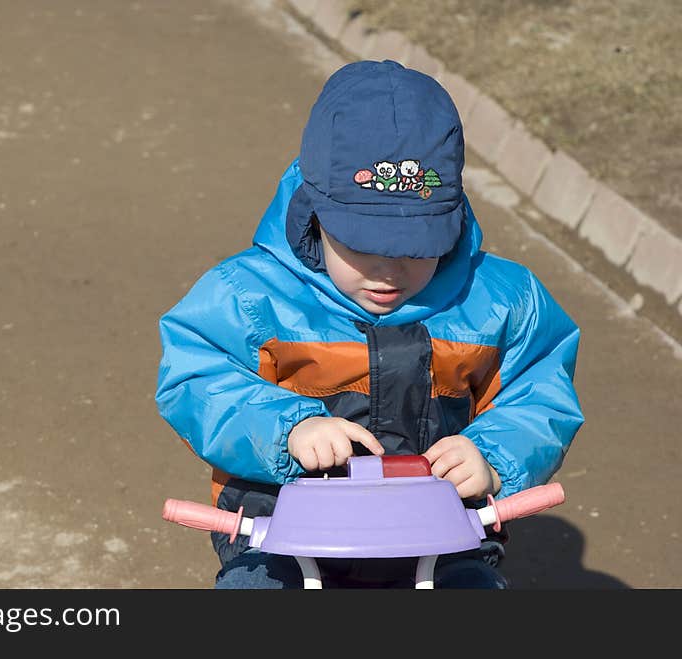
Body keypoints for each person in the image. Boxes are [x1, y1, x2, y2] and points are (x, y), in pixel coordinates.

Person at [155, 60, 584, 588]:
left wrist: (492, 457)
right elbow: (193, 380)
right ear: (315, 212)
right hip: (282, 531)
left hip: (443, 533)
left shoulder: (502, 301)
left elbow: (539, 393)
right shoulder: (248, 296)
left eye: (415, 249)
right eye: (361, 244)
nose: (388, 272)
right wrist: (288, 429)